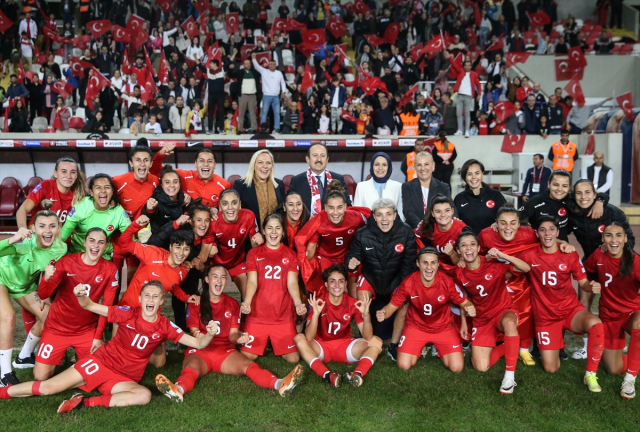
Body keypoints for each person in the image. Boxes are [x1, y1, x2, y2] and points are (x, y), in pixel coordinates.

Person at [0, 282, 217, 412]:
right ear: (141, 298)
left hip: (124, 378)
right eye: (147, 295)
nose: (150, 299)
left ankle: (83, 403)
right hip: (101, 362)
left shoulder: (165, 326)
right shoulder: (126, 313)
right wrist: (81, 295)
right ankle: (3, 392)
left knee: (144, 396)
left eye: (156, 296)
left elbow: (198, 343)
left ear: (162, 301)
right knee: (48, 388)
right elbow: (90, 306)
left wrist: (210, 333)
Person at [155, 265, 303, 401]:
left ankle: (279, 384)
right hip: (200, 350)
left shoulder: (232, 303)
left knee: (249, 366)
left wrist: (239, 339)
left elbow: (232, 334)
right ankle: (177, 390)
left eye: (223, 277)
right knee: (191, 370)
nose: (219, 280)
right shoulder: (196, 302)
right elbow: (194, 332)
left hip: (224, 351)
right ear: (207, 279)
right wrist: (201, 335)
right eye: (215, 276)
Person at [519, 216, 605, 393]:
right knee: (551, 368)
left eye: (551, 229)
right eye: (543, 230)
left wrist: (592, 285)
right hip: (545, 317)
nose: (547, 233)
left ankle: (590, 374)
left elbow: (583, 283)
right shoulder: (528, 255)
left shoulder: (569, 254)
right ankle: (556, 341)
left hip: (569, 311)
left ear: (558, 233)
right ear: (537, 233)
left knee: (596, 325)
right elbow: (510, 271)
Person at [33, 229, 118, 381]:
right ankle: (72, 364)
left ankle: (76, 365)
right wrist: (46, 278)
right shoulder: (66, 262)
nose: (96, 246)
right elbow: (43, 295)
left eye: (101, 242)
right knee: (40, 376)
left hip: (85, 330)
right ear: (84, 243)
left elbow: (107, 308)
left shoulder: (110, 269)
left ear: (106, 246)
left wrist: (98, 337)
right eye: (92, 240)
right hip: (57, 328)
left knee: (97, 374)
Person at [454, 229, 530, 394]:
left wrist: (503, 255)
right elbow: (464, 296)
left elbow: (526, 268)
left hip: (503, 310)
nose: (468, 249)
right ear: (458, 251)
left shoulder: (493, 263)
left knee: (510, 323)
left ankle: (509, 376)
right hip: (482, 319)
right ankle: (508, 346)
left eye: (472, 244)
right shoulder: (459, 271)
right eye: (464, 246)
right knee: (481, 367)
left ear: (479, 247)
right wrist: (464, 320)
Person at [376, 247, 475, 372]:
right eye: (425, 262)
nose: (429, 267)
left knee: (456, 367)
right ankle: (425, 346)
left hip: (443, 327)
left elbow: (464, 302)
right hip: (416, 326)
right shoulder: (409, 282)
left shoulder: (447, 282)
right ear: (418, 263)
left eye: (433, 262)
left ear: (438, 264)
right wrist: (384, 313)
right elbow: (392, 306)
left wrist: (469, 307)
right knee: (404, 365)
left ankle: (439, 348)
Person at [566, 180, 634, 361]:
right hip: (590, 263)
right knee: (584, 301)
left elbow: (630, 238)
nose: (583, 197)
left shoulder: (612, 212)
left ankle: (624, 338)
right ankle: (587, 347)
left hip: (614, 264)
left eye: (588, 193)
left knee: (618, 303)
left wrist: (614, 254)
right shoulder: (572, 210)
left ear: (595, 195)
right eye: (579, 193)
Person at [0, 204, 67, 386]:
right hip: (2, 278)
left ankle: (23, 357)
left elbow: (44, 270)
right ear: (33, 229)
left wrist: (44, 292)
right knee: (8, 317)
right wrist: (12, 240)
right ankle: (4, 374)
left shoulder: (61, 249)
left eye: (52, 226)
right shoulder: (23, 244)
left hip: (24, 286)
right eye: (42, 226)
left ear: (58, 229)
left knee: (51, 316)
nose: (48, 230)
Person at [345, 198, 416, 358]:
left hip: (396, 278)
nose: (384, 219)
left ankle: (394, 345)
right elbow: (353, 256)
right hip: (372, 277)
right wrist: (351, 263)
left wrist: (400, 293)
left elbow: (409, 265)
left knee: (404, 304)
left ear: (395, 215)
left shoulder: (406, 232)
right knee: (361, 301)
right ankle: (366, 340)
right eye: (380, 215)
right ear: (374, 217)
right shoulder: (362, 234)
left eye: (388, 214)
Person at [294, 265, 382, 387]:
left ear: (346, 284)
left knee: (376, 341)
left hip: (344, 347)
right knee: (299, 338)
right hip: (321, 346)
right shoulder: (319, 301)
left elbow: (367, 337)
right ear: (326, 285)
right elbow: (309, 337)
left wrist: (366, 315)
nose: (337, 285)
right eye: (332, 281)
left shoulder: (352, 302)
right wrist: (315, 314)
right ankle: (327, 375)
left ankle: (357, 374)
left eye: (341, 281)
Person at [583, 222, 640, 399]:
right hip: (609, 316)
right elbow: (586, 276)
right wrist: (590, 288)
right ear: (603, 239)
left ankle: (630, 379)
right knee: (613, 369)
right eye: (609, 235)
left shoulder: (635, 261)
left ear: (624, 239)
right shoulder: (598, 255)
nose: (613, 239)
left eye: (618, 235)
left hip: (632, 314)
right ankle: (634, 361)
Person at [240, 214, 307, 362]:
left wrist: (297, 304)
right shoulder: (254, 253)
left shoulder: (290, 254)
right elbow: (252, 281)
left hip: (282, 315)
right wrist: (247, 302)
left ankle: (278, 339)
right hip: (258, 315)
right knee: (248, 356)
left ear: (283, 232)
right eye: (269, 228)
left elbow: (292, 283)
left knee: (293, 358)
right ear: (263, 231)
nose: (274, 232)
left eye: (278, 228)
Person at [295, 181, 368, 295]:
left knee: (354, 295)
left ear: (345, 207)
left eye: (339, 207)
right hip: (326, 258)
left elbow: (372, 227)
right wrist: (304, 264)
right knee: (327, 290)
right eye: (331, 208)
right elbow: (310, 252)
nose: (335, 212)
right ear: (325, 208)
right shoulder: (318, 222)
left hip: (347, 256)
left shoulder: (356, 217)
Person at [116, 215, 198, 312]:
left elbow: (172, 285)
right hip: (128, 310)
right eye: (178, 247)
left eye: (186, 249)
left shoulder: (183, 271)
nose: (181, 253)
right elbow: (123, 243)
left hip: (151, 318)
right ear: (170, 247)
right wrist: (135, 225)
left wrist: (185, 298)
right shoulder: (152, 254)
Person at [200, 189, 263, 299]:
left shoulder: (249, 216)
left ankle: (244, 316)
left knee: (249, 295)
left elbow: (255, 247)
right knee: (213, 296)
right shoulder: (213, 221)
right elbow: (204, 255)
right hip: (216, 263)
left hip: (237, 262)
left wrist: (258, 241)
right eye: (225, 204)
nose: (230, 207)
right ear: (219, 206)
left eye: (234, 203)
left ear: (239, 205)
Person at [519, 169, 606, 242]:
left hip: (562, 248)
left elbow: (599, 195)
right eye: (556, 185)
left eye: (564, 186)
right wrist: (529, 231)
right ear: (549, 184)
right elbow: (515, 217)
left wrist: (600, 202)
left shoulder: (571, 199)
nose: (559, 189)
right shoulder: (535, 201)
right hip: (538, 247)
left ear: (569, 187)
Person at [60, 174, 131, 259]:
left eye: (107, 187)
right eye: (98, 187)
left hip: (102, 256)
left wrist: (113, 249)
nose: (103, 191)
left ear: (112, 191)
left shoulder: (118, 211)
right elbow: (63, 235)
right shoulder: (82, 206)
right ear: (91, 192)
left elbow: (130, 238)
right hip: (77, 253)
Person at [16, 157, 86, 229]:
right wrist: (22, 229)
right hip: (37, 235)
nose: (68, 176)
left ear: (76, 175)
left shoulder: (79, 193)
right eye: (64, 171)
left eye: (73, 172)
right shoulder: (46, 185)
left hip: (62, 237)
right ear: (55, 174)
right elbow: (23, 209)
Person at [153, 148, 231, 208]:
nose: (206, 164)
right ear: (195, 164)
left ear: (215, 165)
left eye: (210, 161)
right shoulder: (183, 176)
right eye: (201, 161)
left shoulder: (224, 185)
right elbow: (155, 170)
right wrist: (160, 154)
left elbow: (226, 209)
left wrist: (216, 210)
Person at [288, 142, 352, 216]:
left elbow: (348, 207)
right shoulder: (297, 181)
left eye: (323, 156)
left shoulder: (338, 179)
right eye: (315, 155)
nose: (319, 159)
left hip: (333, 225)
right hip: (307, 225)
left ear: (327, 159)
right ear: (307, 159)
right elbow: (290, 208)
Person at [415, 194, 466, 276]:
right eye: (438, 211)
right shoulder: (427, 226)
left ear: (452, 211)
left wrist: (452, 253)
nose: (443, 214)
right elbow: (411, 236)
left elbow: (462, 262)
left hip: (454, 271)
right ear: (432, 213)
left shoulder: (461, 229)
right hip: (432, 268)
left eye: (447, 210)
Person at [233, 150, 286, 226]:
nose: (265, 166)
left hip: (274, 234)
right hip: (251, 234)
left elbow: (282, 212)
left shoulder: (279, 184)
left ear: (272, 166)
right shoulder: (240, 185)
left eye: (268, 163)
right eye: (260, 162)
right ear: (254, 165)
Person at [454, 159, 507, 235]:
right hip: (470, 244)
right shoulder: (459, 199)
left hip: (492, 241)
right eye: (469, 174)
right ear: (464, 177)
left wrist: (498, 222)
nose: (474, 177)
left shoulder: (495, 195)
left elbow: (507, 215)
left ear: (482, 174)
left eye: (477, 173)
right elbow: (456, 223)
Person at [401, 152, 451, 229]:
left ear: (433, 166)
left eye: (426, 164)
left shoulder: (443, 187)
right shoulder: (407, 187)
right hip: (415, 231)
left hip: (438, 230)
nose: (423, 168)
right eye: (419, 165)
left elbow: (450, 209)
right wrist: (421, 226)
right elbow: (408, 211)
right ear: (415, 167)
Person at [354, 152, 404, 219]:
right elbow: (357, 214)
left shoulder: (398, 186)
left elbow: (401, 214)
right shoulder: (361, 186)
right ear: (372, 166)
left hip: (393, 228)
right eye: (377, 164)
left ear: (389, 167)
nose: (380, 168)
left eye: (384, 165)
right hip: (367, 227)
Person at [141, 165, 187, 233]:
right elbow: (146, 218)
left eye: (175, 182)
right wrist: (148, 209)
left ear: (180, 184)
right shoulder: (155, 203)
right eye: (167, 182)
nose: (172, 185)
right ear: (162, 185)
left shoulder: (186, 200)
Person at [252, 54, 286, 133]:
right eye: (271, 64)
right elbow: (256, 66)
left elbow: (283, 83)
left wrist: (284, 92)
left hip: (276, 96)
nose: (272, 65)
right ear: (268, 65)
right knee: (264, 113)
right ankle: (263, 128)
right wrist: (253, 59)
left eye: (274, 64)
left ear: (276, 65)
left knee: (277, 113)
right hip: (266, 95)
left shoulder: (279, 73)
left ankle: (277, 129)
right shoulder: (264, 71)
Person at [453, 60, 481, 137]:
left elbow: (478, 84)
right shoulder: (461, 71)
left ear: (471, 66)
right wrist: (449, 58)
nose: (467, 67)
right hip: (459, 95)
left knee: (467, 114)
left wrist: (479, 94)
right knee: (458, 113)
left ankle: (467, 131)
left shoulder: (474, 74)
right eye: (466, 65)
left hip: (468, 96)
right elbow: (454, 65)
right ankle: (460, 130)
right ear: (464, 66)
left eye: (469, 65)